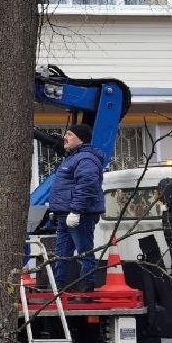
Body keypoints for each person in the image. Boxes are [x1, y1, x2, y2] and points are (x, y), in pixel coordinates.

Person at [48, 124, 108, 293]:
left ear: (80, 139)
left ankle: (87, 286)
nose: (64, 137)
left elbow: (87, 186)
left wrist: (76, 211)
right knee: (62, 252)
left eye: (69, 134)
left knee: (84, 251)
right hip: (65, 214)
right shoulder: (73, 158)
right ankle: (57, 287)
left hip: (80, 215)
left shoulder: (85, 159)